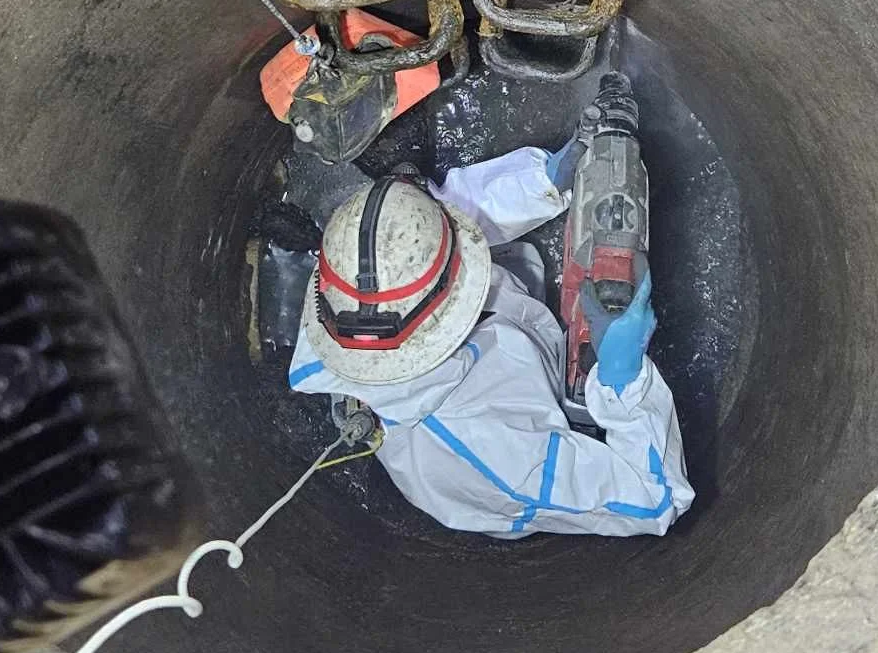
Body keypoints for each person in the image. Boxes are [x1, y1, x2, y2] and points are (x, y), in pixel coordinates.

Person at [286, 136, 691, 538]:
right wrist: (624, 379)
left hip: (512, 331)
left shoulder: (359, 273)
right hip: (526, 423)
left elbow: (442, 217)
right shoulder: (495, 456)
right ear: (449, 298)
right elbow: (654, 501)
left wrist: (543, 181)